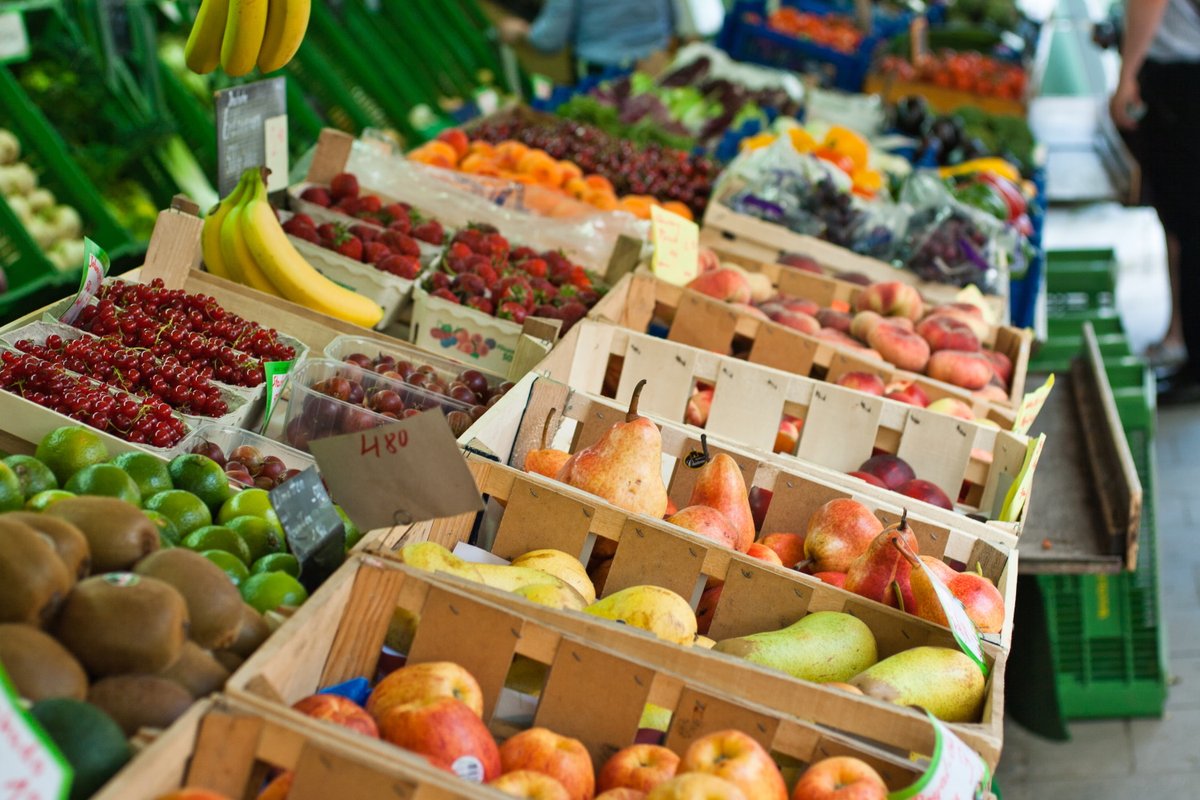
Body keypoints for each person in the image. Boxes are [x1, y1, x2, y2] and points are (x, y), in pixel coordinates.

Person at [1110, 0, 1200, 396]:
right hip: (1183, 75)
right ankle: (1182, 342)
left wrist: (1127, 74)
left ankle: (1194, 364)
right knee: (1184, 224)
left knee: (1187, 224)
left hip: (1181, 79)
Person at [499, 0, 676, 79]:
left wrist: (521, 31)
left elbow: (548, 41)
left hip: (602, 76)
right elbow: (673, 19)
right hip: (658, 64)